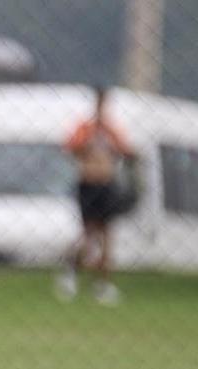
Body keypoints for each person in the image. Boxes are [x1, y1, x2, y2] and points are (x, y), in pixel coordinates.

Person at [60, 87, 136, 306]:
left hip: (106, 185)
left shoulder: (112, 130)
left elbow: (126, 150)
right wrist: (88, 143)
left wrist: (118, 150)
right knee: (88, 235)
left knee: (107, 236)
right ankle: (71, 270)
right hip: (88, 185)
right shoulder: (85, 128)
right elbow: (70, 147)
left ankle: (102, 284)